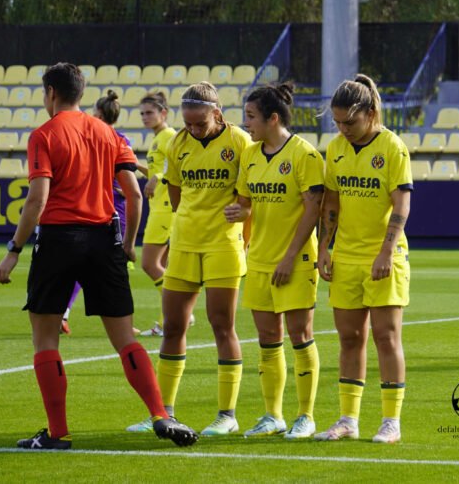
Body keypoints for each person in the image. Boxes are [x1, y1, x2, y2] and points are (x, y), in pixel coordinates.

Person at [0, 62, 197, 449]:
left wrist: (13, 251)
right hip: (105, 238)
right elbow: (135, 195)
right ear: (81, 93)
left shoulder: (44, 135)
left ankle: (57, 433)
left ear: (51, 93)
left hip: (58, 239)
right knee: (125, 339)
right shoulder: (108, 133)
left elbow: (38, 199)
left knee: (46, 340)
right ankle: (160, 414)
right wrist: (128, 243)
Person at [314, 75, 412, 444]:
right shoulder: (336, 148)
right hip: (347, 257)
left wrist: (387, 251)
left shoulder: (392, 147)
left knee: (386, 338)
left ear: (370, 113)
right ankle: (347, 420)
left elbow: (401, 203)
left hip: (384, 257)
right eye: (338, 123)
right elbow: (332, 203)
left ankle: (391, 422)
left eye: (350, 122)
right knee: (350, 338)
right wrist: (325, 248)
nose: (344, 129)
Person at [224, 83, 325, 439]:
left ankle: (306, 416)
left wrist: (289, 257)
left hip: (294, 261)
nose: (245, 123)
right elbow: (247, 202)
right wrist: (240, 211)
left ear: (273, 118)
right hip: (261, 260)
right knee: (268, 339)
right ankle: (273, 416)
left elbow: (313, 209)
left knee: (300, 335)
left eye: (250, 116)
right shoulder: (250, 155)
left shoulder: (305, 155)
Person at [151, 82, 252, 436]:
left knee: (221, 324)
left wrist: (240, 228)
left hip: (224, 244)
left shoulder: (239, 142)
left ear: (217, 114)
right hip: (184, 242)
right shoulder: (177, 144)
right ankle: (164, 412)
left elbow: (246, 199)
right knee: (173, 326)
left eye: (200, 123)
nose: (193, 129)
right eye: (188, 123)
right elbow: (177, 198)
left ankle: (227, 414)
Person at [60, 89, 136, 335]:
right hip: (116, 210)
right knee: (115, 267)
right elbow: (127, 183)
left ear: (100, 115)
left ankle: (63, 311)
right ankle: (123, 323)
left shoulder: (88, 137)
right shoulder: (120, 139)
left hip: (89, 206)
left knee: (82, 263)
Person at [135, 91, 177, 338]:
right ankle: (167, 321)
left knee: (150, 264)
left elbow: (175, 166)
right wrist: (136, 166)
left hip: (164, 210)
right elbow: (156, 169)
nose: (144, 117)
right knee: (168, 269)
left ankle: (179, 310)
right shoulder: (157, 139)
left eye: (149, 112)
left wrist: (156, 177)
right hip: (161, 208)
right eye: (142, 113)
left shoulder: (169, 136)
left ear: (163, 113)